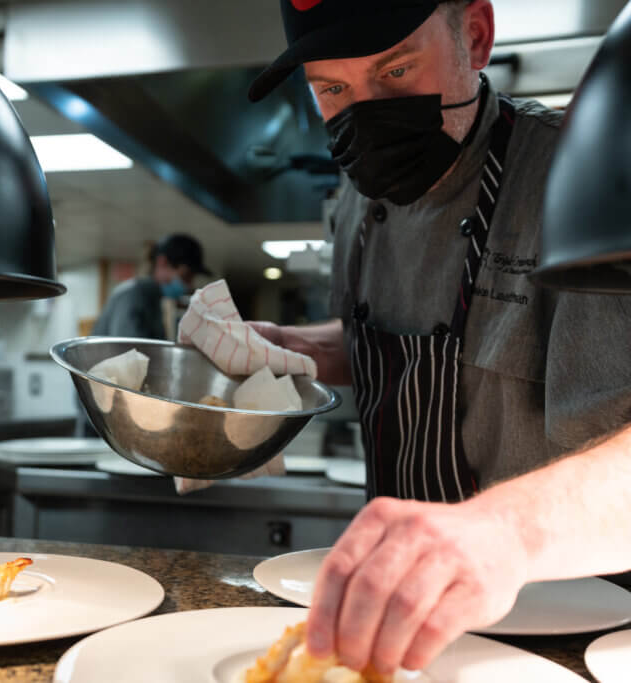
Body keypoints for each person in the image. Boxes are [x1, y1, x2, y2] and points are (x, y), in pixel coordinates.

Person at [247, 0, 631, 676]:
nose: (365, 111)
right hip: (408, 629)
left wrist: (502, 532)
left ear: (476, 37)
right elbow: (393, 335)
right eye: (331, 88)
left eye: (395, 70)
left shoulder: (588, 176)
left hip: (576, 636)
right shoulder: (357, 202)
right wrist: (294, 348)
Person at [92, 233, 212, 339]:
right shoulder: (133, 295)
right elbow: (126, 352)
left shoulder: (153, 300)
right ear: (162, 262)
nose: (188, 285)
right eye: (185, 276)